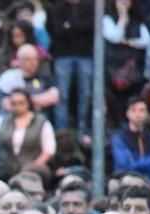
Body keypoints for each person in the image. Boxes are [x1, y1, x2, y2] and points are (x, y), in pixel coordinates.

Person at [0, 88, 56, 181]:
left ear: (28, 103)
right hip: (5, 172)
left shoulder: (41, 122)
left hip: (31, 174)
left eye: (21, 103)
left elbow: (49, 151)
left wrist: (33, 167)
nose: (17, 107)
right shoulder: (2, 120)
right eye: (13, 103)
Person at [49, 0, 94, 139]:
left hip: (85, 55)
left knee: (85, 94)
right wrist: (78, 26)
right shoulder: (57, 8)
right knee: (61, 95)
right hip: (62, 55)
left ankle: (83, 131)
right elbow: (58, 30)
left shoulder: (89, 6)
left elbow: (91, 27)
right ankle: (61, 134)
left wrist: (70, 25)